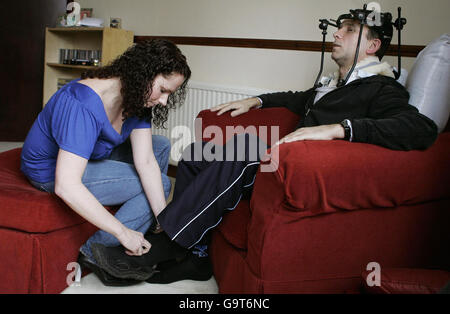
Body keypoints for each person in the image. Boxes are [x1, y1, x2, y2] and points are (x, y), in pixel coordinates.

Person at [90, 8, 438, 284]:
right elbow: (298, 97)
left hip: (305, 171)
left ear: (372, 45)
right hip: (282, 162)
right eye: (340, 27)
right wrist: (256, 100)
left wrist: (338, 129)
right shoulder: (334, 85)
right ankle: (195, 260)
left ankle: (164, 246)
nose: (336, 33)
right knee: (197, 155)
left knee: (248, 147)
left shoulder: (381, 88)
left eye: (347, 29)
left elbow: (419, 128)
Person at [20, 39, 191, 285]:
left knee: (159, 146)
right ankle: (96, 251)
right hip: (49, 168)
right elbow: (66, 185)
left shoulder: (137, 100)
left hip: (88, 153)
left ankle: (153, 228)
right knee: (162, 185)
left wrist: (165, 221)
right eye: (163, 90)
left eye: (169, 94)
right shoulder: (83, 103)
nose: (164, 101)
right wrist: (122, 233)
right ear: (144, 73)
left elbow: (145, 161)